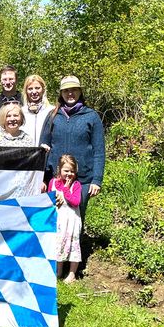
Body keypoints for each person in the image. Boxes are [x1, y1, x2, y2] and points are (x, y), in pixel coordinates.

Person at [40, 75, 105, 221]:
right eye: (66, 90)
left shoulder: (91, 116)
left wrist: (96, 180)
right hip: (55, 179)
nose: (70, 93)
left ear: (80, 91)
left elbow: (99, 151)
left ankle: (77, 244)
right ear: (61, 93)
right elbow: (43, 149)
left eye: (74, 89)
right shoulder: (53, 116)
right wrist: (42, 178)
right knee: (54, 220)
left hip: (82, 180)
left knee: (76, 220)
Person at [48, 155, 82, 283]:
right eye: (66, 170)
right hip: (58, 220)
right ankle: (59, 271)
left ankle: (72, 273)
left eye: (72, 171)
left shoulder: (76, 185)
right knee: (58, 244)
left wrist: (66, 190)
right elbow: (49, 199)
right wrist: (54, 200)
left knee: (73, 245)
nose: (69, 174)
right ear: (60, 170)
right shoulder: (53, 182)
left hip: (71, 220)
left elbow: (76, 201)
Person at [21, 74, 54, 147]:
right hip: (26, 155)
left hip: (46, 154)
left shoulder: (52, 111)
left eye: (37, 88)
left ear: (43, 89)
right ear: (26, 91)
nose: (34, 91)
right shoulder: (20, 112)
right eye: (30, 89)